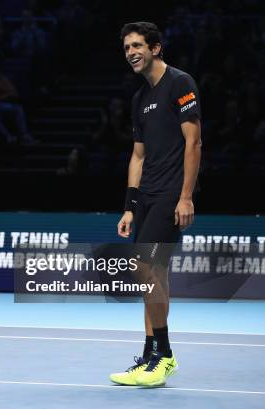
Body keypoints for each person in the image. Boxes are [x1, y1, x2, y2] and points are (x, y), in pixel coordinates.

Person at [112, 22, 201, 387]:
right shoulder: (139, 99)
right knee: (153, 276)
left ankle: (163, 354)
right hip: (146, 197)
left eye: (137, 45)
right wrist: (130, 206)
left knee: (143, 268)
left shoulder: (180, 84)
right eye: (127, 47)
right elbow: (137, 156)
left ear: (156, 48)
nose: (131, 52)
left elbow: (194, 143)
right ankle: (151, 356)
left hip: (170, 195)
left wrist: (185, 196)